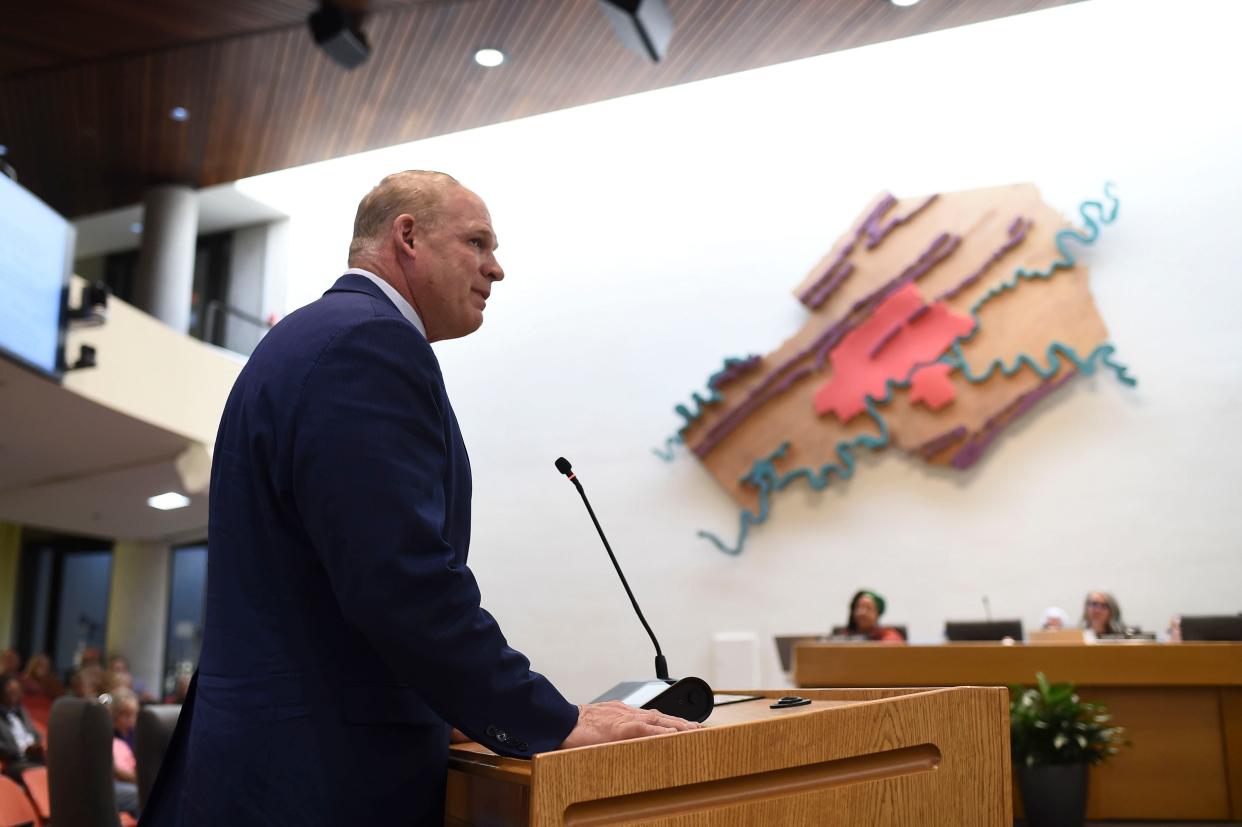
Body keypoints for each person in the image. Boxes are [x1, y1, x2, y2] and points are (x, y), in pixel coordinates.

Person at [142, 171, 697, 827]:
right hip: (319, 779)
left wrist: (454, 709)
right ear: (407, 235)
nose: (497, 268)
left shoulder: (311, 335)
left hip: (277, 765)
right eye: (477, 242)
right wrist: (551, 720)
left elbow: (332, 589)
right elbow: (401, 581)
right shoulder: (367, 345)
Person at [0, 673, 44, 782]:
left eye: (16, 690)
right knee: (42, 771)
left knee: (62, 765)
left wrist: (37, 745)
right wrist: (22, 750)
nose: (14, 693)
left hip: (33, 756)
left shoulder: (22, 711)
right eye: (10, 690)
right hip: (14, 762)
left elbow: (36, 734)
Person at [106, 688, 140, 817]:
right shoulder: (108, 735)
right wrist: (141, 780)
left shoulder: (135, 734)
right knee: (142, 794)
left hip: (132, 780)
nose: (130, 719)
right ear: (114, 715)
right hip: (114, 784)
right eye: (125, 715)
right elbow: (115, 771)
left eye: (133, 714)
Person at [839, 590, 906, 642]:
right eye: (859, 607)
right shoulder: (843, 635)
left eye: (868, 608)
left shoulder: (887, 636)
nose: (862, 613)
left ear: (877, 614)